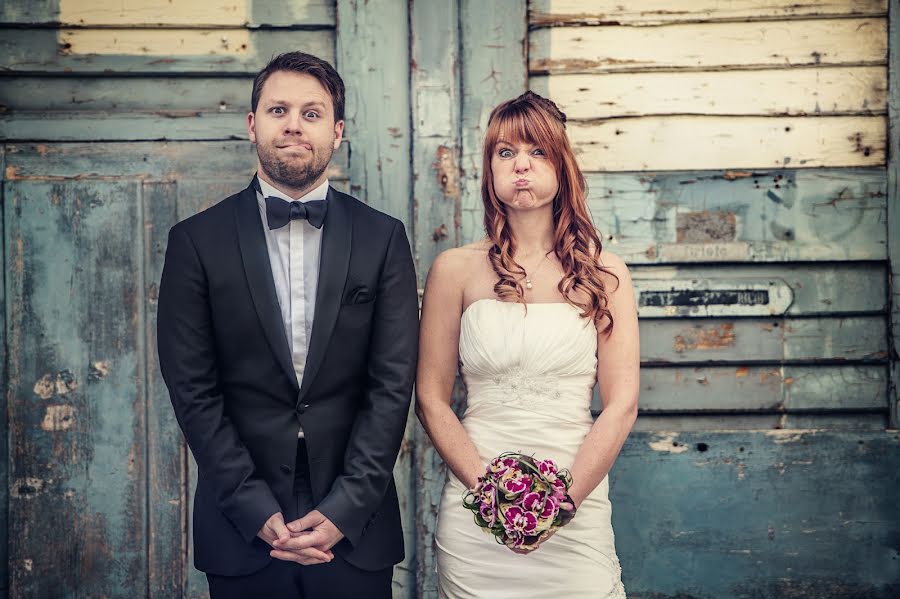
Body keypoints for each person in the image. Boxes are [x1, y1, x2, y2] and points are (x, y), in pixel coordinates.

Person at [156, 51, 419, 599]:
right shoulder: (194, 242)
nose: (294, 124)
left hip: (355, 524)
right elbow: (193, 390)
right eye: (278, 109)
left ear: (337, 131)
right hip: (242, 523)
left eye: (312, 112)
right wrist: (253, 507)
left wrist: (347, 507)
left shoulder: (383, 238)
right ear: (252, 125)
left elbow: (392, 387)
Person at [416, 91, 639, 598]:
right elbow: (431, 397)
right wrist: (493, 496)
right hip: (477, 511)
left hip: (575, 508)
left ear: (562, 165)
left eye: (538, 151)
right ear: (490, 170)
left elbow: (621, 405)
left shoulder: (606, 275)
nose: (522, 166)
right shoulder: (454, 270)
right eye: (506, 152)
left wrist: (558, 504)